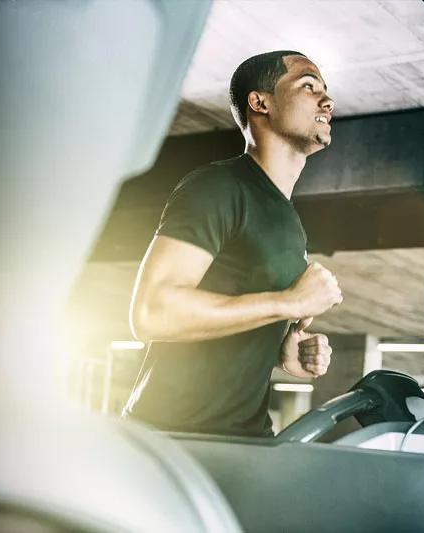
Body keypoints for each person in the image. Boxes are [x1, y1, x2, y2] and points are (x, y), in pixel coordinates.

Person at [123, 50, 342, 437]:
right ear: (260, 102)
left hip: (246, 437)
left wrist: (280, 354)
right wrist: (288, 302)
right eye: (309, 86)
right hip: (174, 437)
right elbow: (152, 313)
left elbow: (230, 324)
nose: (328, 100)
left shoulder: (287, 217)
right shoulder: (217, 187)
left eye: (325, 90)